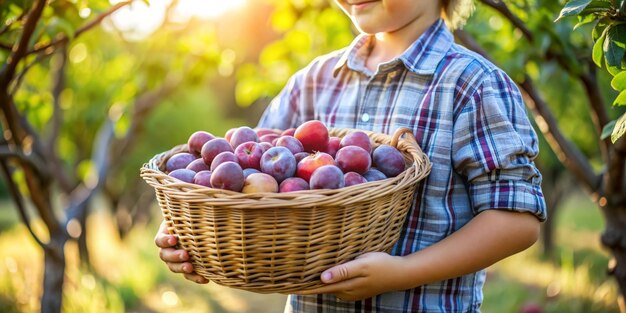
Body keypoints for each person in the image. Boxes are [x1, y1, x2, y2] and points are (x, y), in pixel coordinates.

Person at [154, 0, 547, 311]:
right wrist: (185, 230)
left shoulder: (472, 85)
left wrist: (403, 273)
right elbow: (240, 179)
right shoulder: (313, 81)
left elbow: (517, 219)